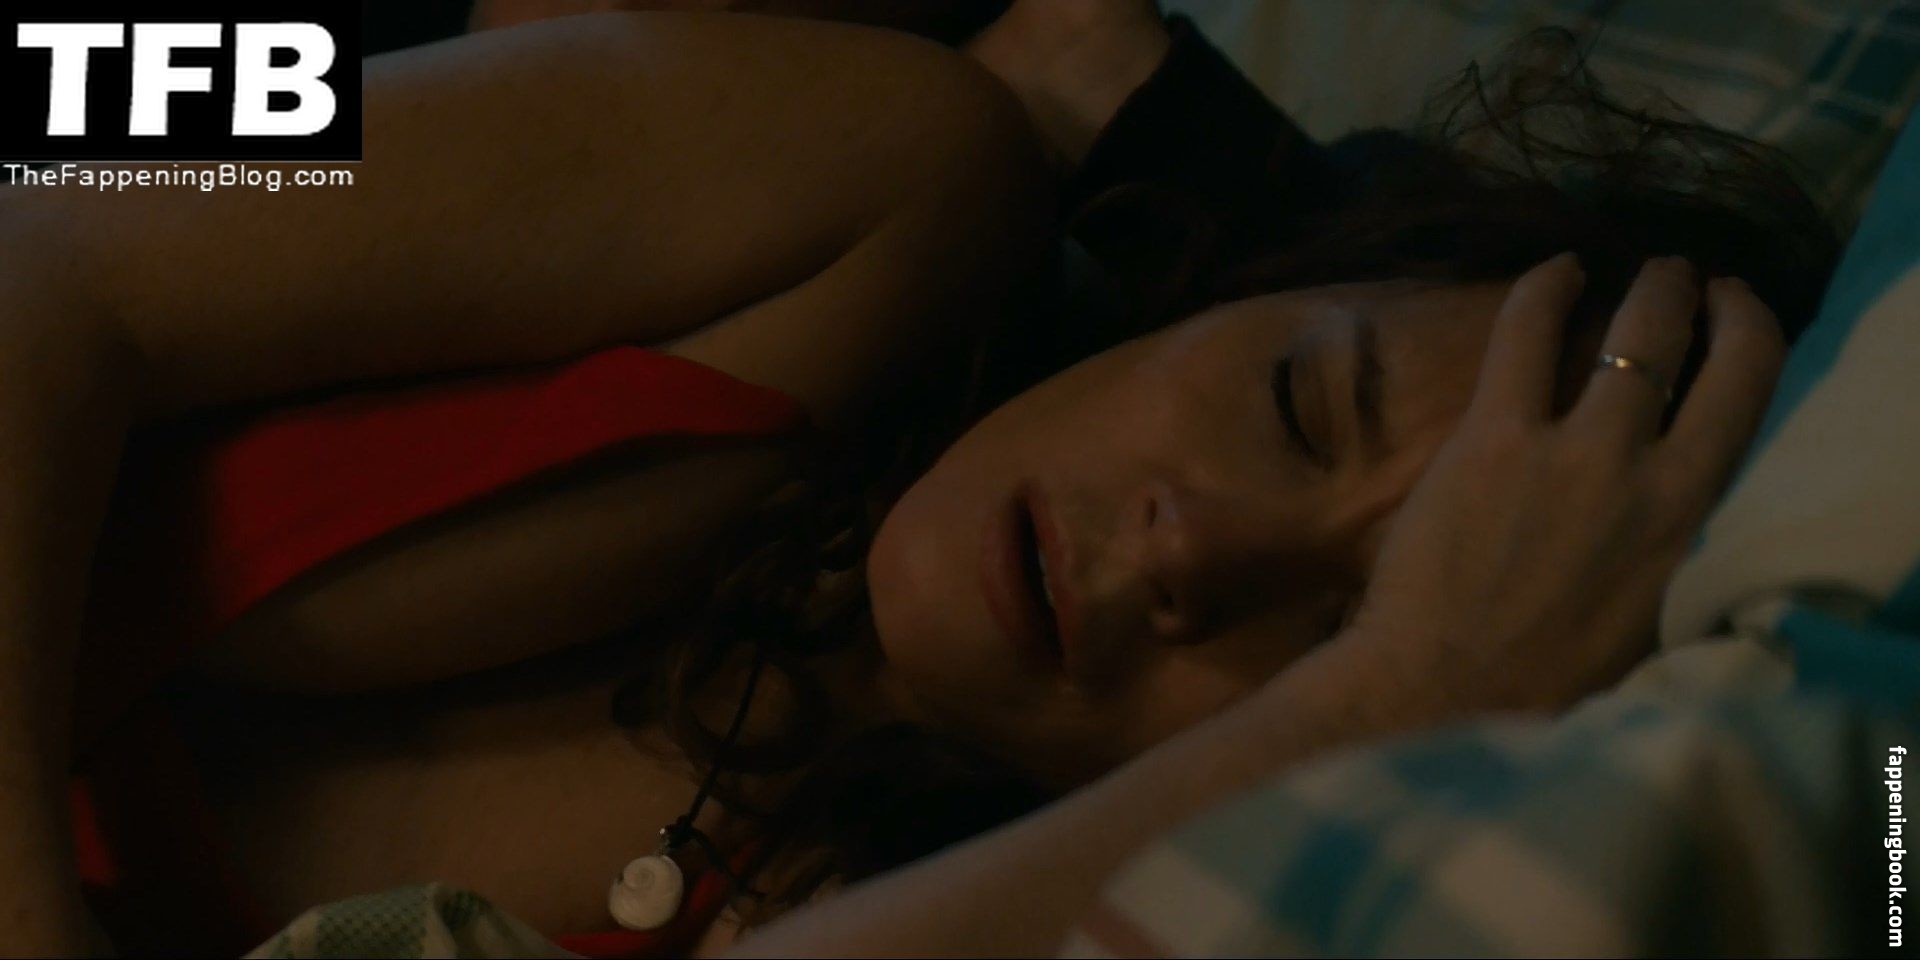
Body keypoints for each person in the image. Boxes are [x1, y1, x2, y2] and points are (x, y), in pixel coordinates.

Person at [0, 1, 1836, 955]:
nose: (1191, 549)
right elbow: (63, 220)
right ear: (1244, 291)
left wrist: (1403, 694)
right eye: (1297, 404)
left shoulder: (930, 916)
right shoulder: (889, 173)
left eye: (1330, 634)